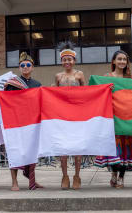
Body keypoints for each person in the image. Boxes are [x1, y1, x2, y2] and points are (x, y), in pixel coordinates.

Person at [93, 50, 132, 189]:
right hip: (112, 119)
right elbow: (98, 93)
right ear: (113, 61)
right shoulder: (107, 77)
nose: (122, 62)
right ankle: (114, 173)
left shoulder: (130, 79)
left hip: (126, 119)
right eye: (119, 59)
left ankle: (121, 177)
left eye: (124, 59)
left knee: (125, 149)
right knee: (115, 149)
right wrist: (105, 88)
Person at [5, 52, 44, 191]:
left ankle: (32, 181)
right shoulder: (12, 83)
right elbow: (6, 102)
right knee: (14, 151)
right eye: (22, 65)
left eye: (28, 65)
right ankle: (14, 182)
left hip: (32, 123)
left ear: (32, 67)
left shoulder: (37, 84)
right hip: (15, 123)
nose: (25, 67)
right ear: (19, 68)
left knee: (32, 152)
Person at [54, 41, 86, 190]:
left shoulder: (80, 74)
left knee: (77, 148)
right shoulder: (58, 76)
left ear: (74, 60)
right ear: (61, 61)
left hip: (78, 116)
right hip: (62, 117)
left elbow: (87, 93)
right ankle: (65, 175)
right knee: (63, 148)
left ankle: (77, 176)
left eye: (70, 59)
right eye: (64, 59)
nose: (67, 62)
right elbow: (54, 95)